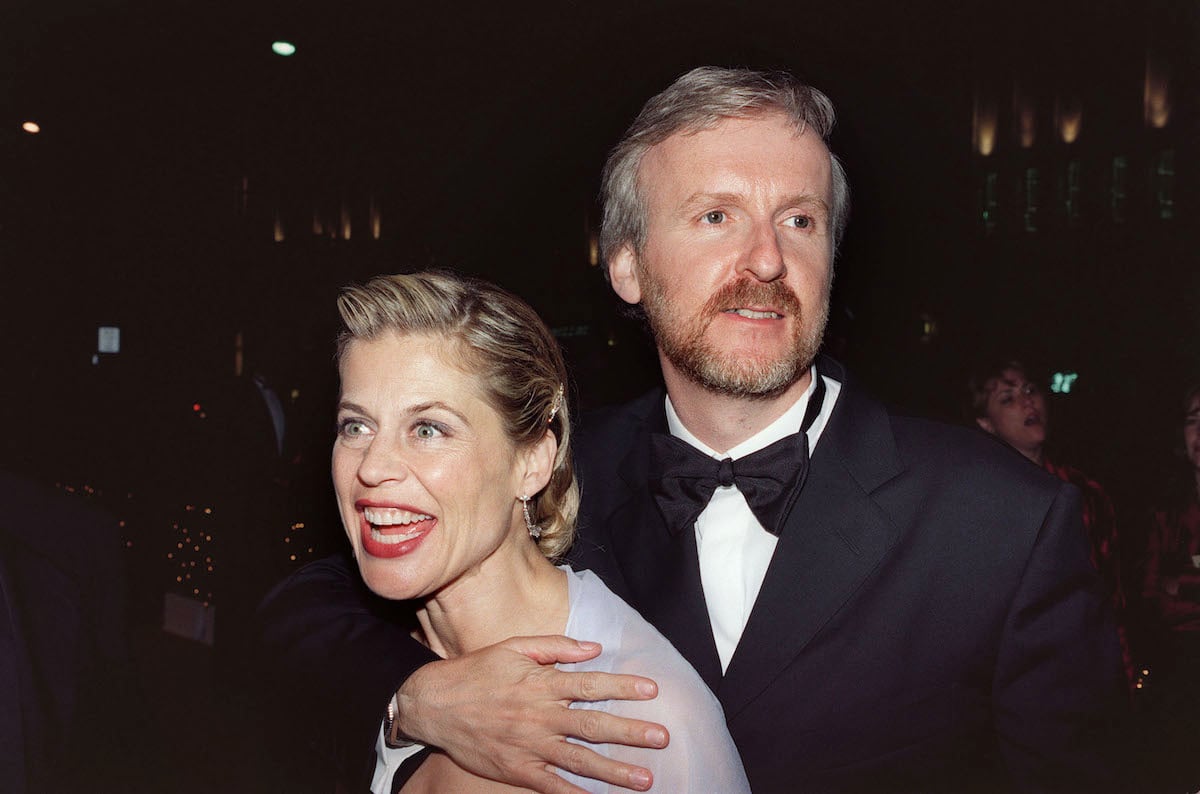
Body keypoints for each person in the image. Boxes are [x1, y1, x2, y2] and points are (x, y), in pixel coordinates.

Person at [259, 67, 1124, 793]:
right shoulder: (552, 468)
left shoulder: (1001, 521)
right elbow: (308, 604)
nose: (766, 260)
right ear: (627, 265)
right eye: (716, 216)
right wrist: (417, 696)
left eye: (799, 220)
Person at [303, 270, 751, 793]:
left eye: (428, 429)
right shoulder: (372, 674)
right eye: (356, 426)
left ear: (533, 461)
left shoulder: (644, 720)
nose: (373, 467)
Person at [968, 359, 1132, 686]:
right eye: (1008, 398)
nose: (1027, 401)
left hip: (1096, 676)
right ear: (986, 423)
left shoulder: (1087, 491)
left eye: (1030, 389)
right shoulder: (982, 507)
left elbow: (1113, 597)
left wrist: (1125, 677)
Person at [1137, 382, 1200, 791]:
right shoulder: (1169, 511)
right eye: (1194, 420)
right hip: (1181, 668)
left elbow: (1175, 589)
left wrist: (1188, 588)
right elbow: (1152, 594)